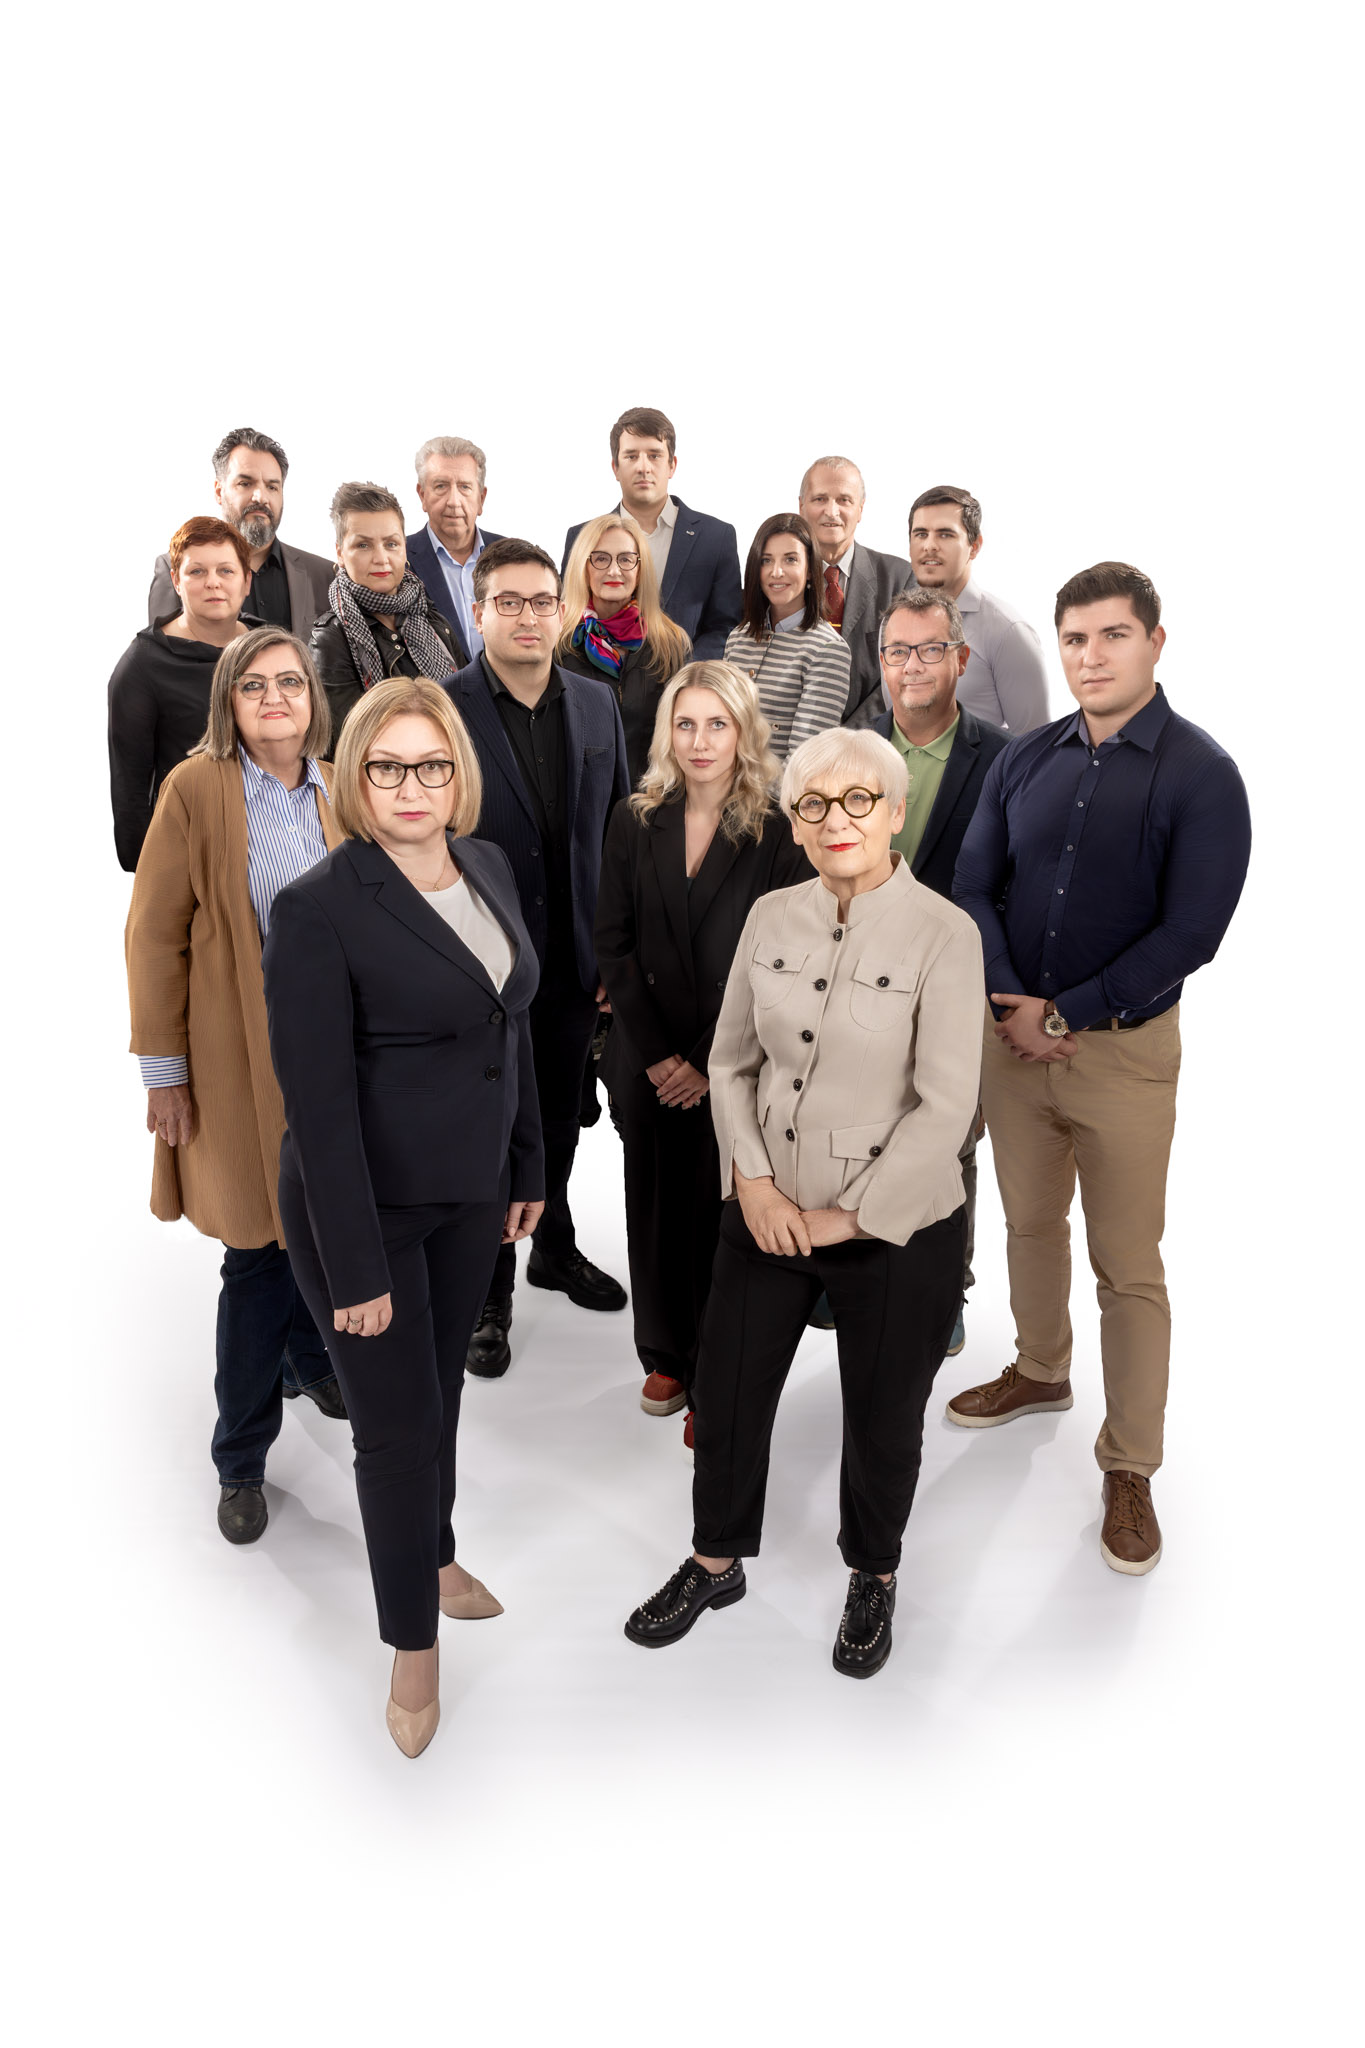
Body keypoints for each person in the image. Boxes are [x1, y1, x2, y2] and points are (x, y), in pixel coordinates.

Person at [624, 727, 983, 1680]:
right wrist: (749, 1180)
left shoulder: (946, 933)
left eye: (858, 800)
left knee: (882, 1416)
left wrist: (845, 1220)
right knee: (727, 1396)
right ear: (793, 822)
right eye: (813, 805)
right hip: (768, 1204)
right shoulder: (771, 916)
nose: (835, 820)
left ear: (894, 813)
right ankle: (714, 1561)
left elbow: (945, 1106)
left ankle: (874, 1572)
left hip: (894, 1225)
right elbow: (731, 1063)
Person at [950, 562, 1251, 1576]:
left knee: (1128, 1266)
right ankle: (1040, 1367)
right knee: (1029, 1223)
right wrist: (1012, 1002)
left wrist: (1066, 1012)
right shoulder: (1024, 758)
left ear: (1154, 642)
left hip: (1122, 1055)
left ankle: (1129, 1465)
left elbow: (1192, 932)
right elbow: (973, 884)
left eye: (1112, 635)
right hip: (1011, 1042)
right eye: (1074, 638)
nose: (1090, 656)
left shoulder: (1203, 775)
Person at [263, 677, 544, 1758]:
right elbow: (319, 1107)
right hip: (363, 1207)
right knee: (393, 1429)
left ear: (456, 772)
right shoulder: (319, 908)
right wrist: (354, 1268)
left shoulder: (487, 866)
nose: (412, 786)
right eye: (388, 767)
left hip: (469, 1188)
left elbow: (509, 1024)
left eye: (432, 764)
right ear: (358, 778)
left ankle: (434, 1553)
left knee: (442, 1397)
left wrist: (525, 1160)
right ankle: (412, 1646)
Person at [125, 628, 348, 1548]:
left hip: (335, 1059)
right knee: (257, 1251)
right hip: (238, 1056)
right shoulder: (198, 788)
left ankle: (307, 1355)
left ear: (313, 697)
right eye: (253, 685)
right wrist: (164, 1073)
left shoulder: (339, 786)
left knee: (323, 1229)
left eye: (290, 682)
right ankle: (241, 1457)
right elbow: (152, 933)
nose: (274, 699)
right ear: (228, 700)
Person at [594, 662, 813, 1443]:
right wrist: (658, 1055)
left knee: (720, 1220)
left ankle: (716, 1377)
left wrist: (700, 1059)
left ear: (743, 731)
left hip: (734, 1060)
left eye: (716, 724)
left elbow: (779, 964)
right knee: (651, 1208)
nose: (700, 740)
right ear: (666, 733)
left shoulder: (779, 831)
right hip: (646, 1057)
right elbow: (612, 942)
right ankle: (665, 1354)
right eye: (684, 724)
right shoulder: (634, 819)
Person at [445, 539, 630, 1379]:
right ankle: (489, 1291)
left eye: (541, 601)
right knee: (488, 1130)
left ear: (562, 611)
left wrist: (612, 951)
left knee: (558, 1117)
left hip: (574, 963)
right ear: (478, 612)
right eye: (508, 602)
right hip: (480, 968)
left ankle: (553, 1244)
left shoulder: (596, 704)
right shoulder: (444, 709)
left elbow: (619, 834)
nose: (527, 616)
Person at [869, 585, 1010, 1356]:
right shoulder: (852, 746)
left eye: (929, 650)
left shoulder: (1004, 759)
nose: (912, 666)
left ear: (960, 659)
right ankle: (858, 1272)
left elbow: (1016, 885)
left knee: (947, 1142)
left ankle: (944, 1289)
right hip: (859, 982)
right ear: (879, 659)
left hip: (956, 987)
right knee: (857, 1127)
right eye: (897, 650)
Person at [110, 516, 260, 869]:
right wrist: (153, 875)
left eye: (226, 570)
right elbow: (131, 790)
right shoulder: (141, 666)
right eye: (197, 571)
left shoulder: (270, 647)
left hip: (279, 841)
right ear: (176, 580)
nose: (213, 583)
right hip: (191, 853)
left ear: (246, 581)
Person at [563, 407, 742, 659]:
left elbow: (725, 626)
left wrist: (684, 673)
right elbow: (570, 618)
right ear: (615, 467)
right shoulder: (581, 538)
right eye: (631, 456)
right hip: (599, 676)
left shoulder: (716, 537)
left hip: (686, 677)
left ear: (672, 465)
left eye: (654, 455)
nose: (643, 467)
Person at [309, 482, 462, 738]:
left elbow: (469, 707)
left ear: (404, 548)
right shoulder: (329, 639)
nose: (381, 558)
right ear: (340, 553)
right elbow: (347, 740)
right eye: (363, 545)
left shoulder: (430, 616)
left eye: (391, 544)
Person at [148, 428, 333, 633]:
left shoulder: (325, 575)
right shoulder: (175, 569)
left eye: (272, 487)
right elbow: (160, 650)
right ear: (219, 491)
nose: (260, 497)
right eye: (245, 483)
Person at [557, 512, 692, 786]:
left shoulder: (672, 644)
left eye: (626, 559)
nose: (614, 571)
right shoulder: (559, 644)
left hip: (650, 796)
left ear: (640, 569)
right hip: (579, 796)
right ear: (583, 566)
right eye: (601, 559)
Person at [907, 486, 1050, 732]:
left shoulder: (1008, 632)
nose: (929, 545)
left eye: (945, 534)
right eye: (921, 534)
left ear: (974, 546)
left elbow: (1036, 741)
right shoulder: (891, 625)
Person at [797, 456, 915, 727]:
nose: (831, 511)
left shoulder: (899, 578)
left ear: (860, 509)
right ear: (801, 506)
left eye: (844, 500)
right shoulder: (777, 577)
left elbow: (903, 669)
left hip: (871, 738)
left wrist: (848, 738)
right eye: (820, 499)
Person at [724, 514, 852, 760]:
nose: (776, 572)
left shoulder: (828, 649)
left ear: (810, 570)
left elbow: (805, 760)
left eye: (790, 559)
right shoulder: (737, 639)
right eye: (766, 560)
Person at [405, 436, 506, 665]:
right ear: (422, 495)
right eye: (441, 486)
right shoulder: (399, 560)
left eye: (464, 487)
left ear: (481, 498)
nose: (453, 501)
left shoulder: (513, 557)